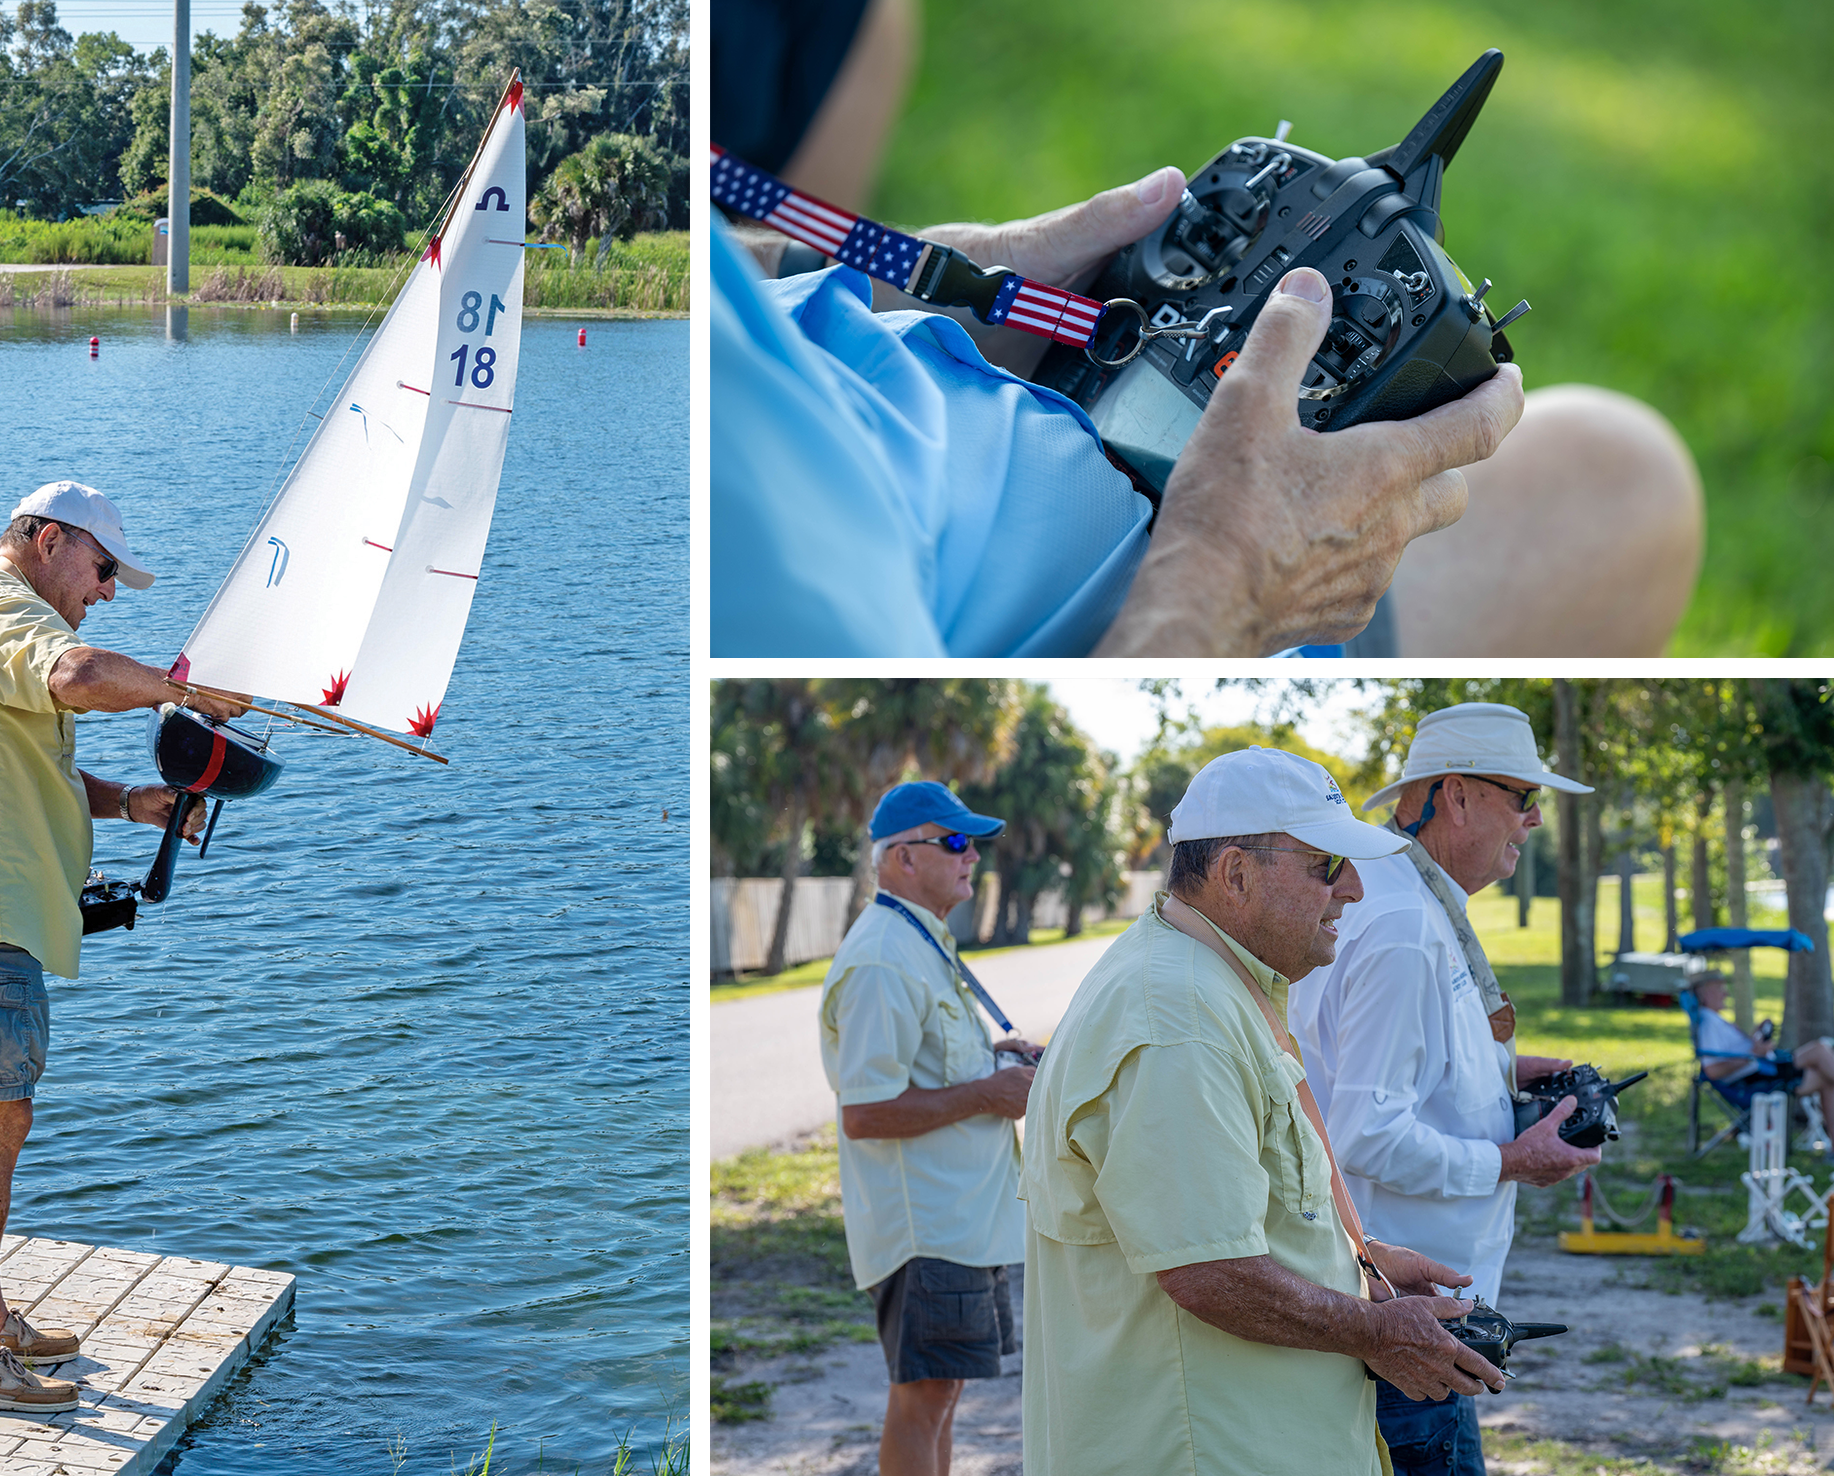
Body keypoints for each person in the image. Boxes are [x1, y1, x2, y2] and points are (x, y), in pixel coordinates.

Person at [711, 0, 1703, 657]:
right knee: (1624, 484)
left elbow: (722, 299)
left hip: (942, 380)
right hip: (1150, 570)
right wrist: (1226, 591)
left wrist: (928, 282)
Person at [1020, 747, 1504, 1476]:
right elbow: (1209, 1271)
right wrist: (1374, 1329)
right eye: (1325, 867)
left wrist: (1355, 1264)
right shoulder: (1177, 1015)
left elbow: (1231, 1219)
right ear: (1236, 875)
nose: (1352, 891)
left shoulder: (1207, 981)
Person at [0, 480, 245, 1412]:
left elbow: (17, 762)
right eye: (103, 567)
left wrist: (130, 802)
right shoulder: (0, 607)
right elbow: (77, 676)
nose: (108, 589)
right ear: (45, 542)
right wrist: (184, 691)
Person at [1291, 703, 1601, 1476]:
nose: (1532, 822)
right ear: (1455, 796)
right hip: (1404, 1327)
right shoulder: (1401, 924)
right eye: (1523, 798)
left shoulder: (1410, 898)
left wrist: (1503, 1073)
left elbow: (1398, 1069)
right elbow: (1367, 1132)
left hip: (1416, 1319)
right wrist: (1510, 1160)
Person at [817, 780, 1043, 1476]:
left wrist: (992, 1059)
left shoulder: (916, 940)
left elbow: (925, 1064)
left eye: (971, 843)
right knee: (923, 1398)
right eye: (953, 841)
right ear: (901, 859)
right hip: (928, 1227)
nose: (970, 855)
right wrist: (987, 1092)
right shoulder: (882, 958)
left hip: (961, 1220)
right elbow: (864, 1113)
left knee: (941, 1395)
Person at [1693, 971, 1834, 1164]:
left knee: (1826, 1073)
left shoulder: (1715, 1019)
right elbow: (1713, 1070)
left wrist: (1756, 1035)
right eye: (1720, 990)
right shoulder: (1708, 1023)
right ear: (1704, 994)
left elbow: (1737, 1051)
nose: (1726, 994)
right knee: (1820, 1050)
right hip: (1755, 1078)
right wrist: (1754, 1054)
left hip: (1764, 1067)